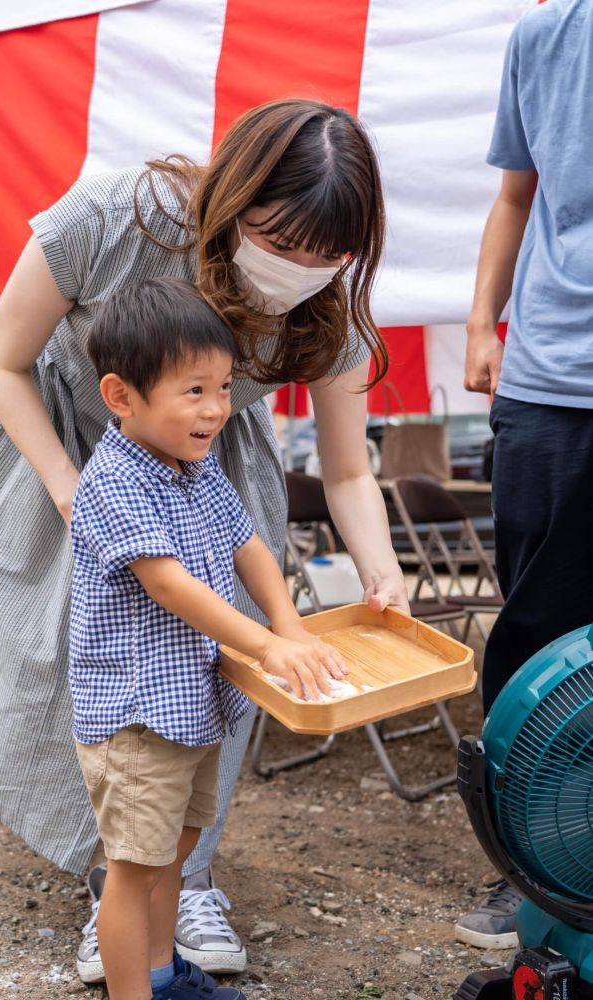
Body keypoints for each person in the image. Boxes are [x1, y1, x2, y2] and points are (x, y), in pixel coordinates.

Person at [0, 97, 409, 984]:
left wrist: (379, 571)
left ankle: (184, 876)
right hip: (68, 444)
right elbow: (1, 358)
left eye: (325, 258)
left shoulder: (323, 308)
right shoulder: (111, 216)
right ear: (232, 197)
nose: (299, 272)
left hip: (204, 468)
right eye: (280, 244)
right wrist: (70, 492)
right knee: (81, 665)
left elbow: (348, 469)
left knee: (202, 675)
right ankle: (115, 888)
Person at [71, 278, 349, 999]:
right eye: (193, 390)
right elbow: (167, 583)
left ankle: (164, 976)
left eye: (223, 387)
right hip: (135, 716)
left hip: (189, 703)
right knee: (133, 869)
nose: (216, 409)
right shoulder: (113, 480)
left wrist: (286, 626)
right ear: (121, 395)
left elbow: (248, 546)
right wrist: (265, 647)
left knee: (179, 848)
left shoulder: (194, 468)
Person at [456, 0, 593, 951]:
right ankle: (527, 869)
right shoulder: (540, 38)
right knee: (535, 636)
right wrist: (479, 321)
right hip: (548, 379)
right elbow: (516, 194)